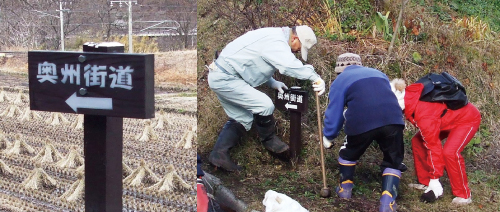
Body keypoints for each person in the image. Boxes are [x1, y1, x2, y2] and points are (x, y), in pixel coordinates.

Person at [206, 25, 326, 172]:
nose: (296, 52)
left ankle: (218, 156)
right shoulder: (276, 41)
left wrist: (273, 82)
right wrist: (315, 77)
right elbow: (288, 65)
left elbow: (252, 64)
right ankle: (269, 141)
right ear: (294, 38)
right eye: (299, 47)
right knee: (265, 105)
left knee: (243, 118)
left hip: (221, 75)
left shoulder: (272, 36)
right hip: (225, 78)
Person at [322, 53, 406, 212]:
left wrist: (329, 135)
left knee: (349, 152)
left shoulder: (341, 80)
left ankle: (345, 189)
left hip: (362, 119)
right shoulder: (379, 74)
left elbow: (335, 112)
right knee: (393, 159)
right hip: (393, 118)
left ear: (340, 70)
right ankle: (387, 201)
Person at [390, 78, 481, 205]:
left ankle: (463, 194)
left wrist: (435, 177)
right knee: (418, 142)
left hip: (466, 119)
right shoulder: (409, 96)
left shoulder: (423, 115)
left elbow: (433, 146)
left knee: (450, 152)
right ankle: (425, 182)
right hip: (445, 120)